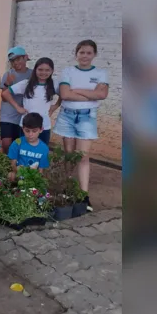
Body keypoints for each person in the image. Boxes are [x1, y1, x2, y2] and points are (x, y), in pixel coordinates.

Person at [53, 40, 109, 208]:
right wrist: (90, 94)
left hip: (87, 117)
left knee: (83, 156)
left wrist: (75, 90)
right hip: (67, 116)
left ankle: (84, 195)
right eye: (81, 52)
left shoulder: (101, 73)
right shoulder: (68, 71)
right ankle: (68, 187)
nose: (84, 56)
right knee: (69, 154)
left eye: (89, 53)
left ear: (94, 55)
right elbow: (65, 94)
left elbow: (102, 94)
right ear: (76, 54)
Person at [1, 57, 61, 145]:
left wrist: (55, 106)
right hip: (26, 126)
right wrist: (17, 107)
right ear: (35, 70)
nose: (43, 72)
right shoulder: (26, 83)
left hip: (44, 126)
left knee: (41, 150)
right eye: (40, 69)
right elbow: (5, 93)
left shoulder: (54, 84)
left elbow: (64, 95)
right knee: (23, 149)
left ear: (52, 71)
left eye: (47, 70)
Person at [0, 46, 34, 153]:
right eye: (12, 61)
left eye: (18, 59)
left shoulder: (33, 74)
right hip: (8, 114)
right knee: (6, 143)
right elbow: (4, 98)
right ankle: (7, 162)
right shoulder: (8, 74)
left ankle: (16, 165)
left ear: (25, 58)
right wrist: (7, 84)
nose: (15, 63)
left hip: (24, 114)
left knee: (18, 142)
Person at [8, 113, 49, 181]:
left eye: (34, 131)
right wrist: (17, 169)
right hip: (18, 175)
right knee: (10, 175)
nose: (30, 134)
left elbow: (41, 171)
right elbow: (12, 165)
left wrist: (35, 179)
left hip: (33, 178)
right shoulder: (17, 143)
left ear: (41, 130)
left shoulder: (44, 148)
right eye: (27, 131)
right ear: (23, 129)